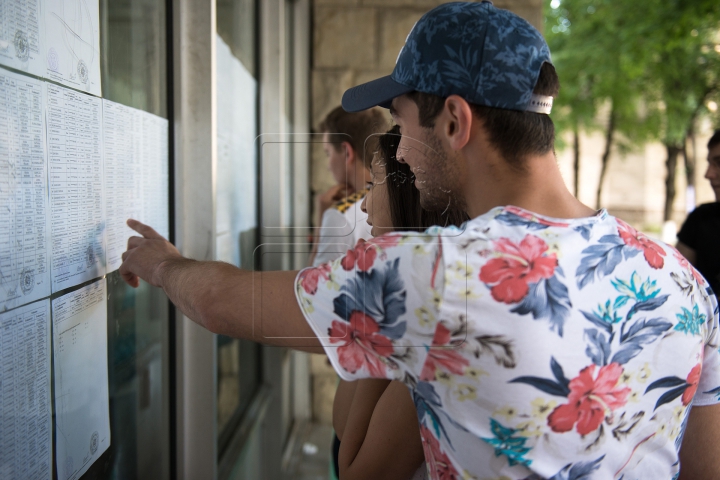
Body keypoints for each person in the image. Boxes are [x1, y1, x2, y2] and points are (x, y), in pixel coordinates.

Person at [119, 3, 720, 479]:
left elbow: (227, 303)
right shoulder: (685, 283)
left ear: (455, 122)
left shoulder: (439, 273)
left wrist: (164, 263)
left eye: (402, 123)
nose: (399, 150)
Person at [332, 126, 468, 480]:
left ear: (407, 193)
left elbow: (354, 466)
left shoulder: (432, 316)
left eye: (374, 183)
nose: (363, 204)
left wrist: (378, 314)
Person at [308, 106, 385, 267]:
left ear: (346, 151)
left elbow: (313, 286)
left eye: (328, 153)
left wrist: (322, 222)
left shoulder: (340, 215)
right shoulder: (403, 196)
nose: (328, 165)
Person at [677, 129, 720, 296]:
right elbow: (676, 283)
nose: (708, 174)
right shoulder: (701, 219)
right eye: (709, 163)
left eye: (719, 163)